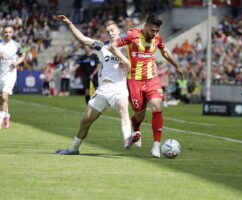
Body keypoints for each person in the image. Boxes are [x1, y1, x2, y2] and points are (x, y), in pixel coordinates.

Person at [56, 15, 140, 155]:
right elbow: (83, 39)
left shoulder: (127, 48)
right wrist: (70, 24)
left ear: (119, 31)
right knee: (85, 122)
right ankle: (74, 149)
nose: (110, 33)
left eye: (113, 30)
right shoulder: (103, 46)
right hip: (103, 89)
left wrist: (125, 64)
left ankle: (127, 138)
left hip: (119, 88)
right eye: (108, 32)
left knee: (124, 111)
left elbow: (133, 68)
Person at [109, 14, 184, 158]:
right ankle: (136, 129)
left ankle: (156, 145)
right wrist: (124, 59)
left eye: (157, 31)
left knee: (157, 106)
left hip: (152, 79)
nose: (155, 33)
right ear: (147, 25)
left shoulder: (157, 38)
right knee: (139, 114)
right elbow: (113, 46)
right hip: (134, 81)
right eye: (153, 30)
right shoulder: (132, 35)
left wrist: (176, 65)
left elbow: (165, 51)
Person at [0, 25, 24, 129]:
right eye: (6, 32)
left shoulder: (16, 45)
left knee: (4, 96)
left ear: (13, 33)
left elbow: (22, 56)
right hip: (1, 74)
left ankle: (0, 120)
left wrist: (17, 62)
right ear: (2, 33)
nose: (8, 34)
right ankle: (6, 115)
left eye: (10, 32)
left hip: (10, 75)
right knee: (2, 99)